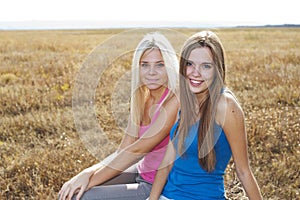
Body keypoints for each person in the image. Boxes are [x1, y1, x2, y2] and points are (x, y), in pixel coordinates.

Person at [58, 32, 180, 200]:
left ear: (170, 67)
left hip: (157, 185)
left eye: (160, 65)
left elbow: (137, 150)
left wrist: (89, 183)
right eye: (145, 65)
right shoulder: (141, 99)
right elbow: (123, 150)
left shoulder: (174, 100)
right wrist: (87, 173)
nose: (151, 72)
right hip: (140, 171)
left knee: (81, 196)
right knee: (70, 192)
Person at [147, 31, 262, 200]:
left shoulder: (226, 106)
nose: (195, 73)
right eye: (190, 64)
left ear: (217, 69)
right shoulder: (186, 99)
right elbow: (167, 162)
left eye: (206, 66)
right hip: (167, 195)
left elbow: (243, 171)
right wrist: (152, 198)